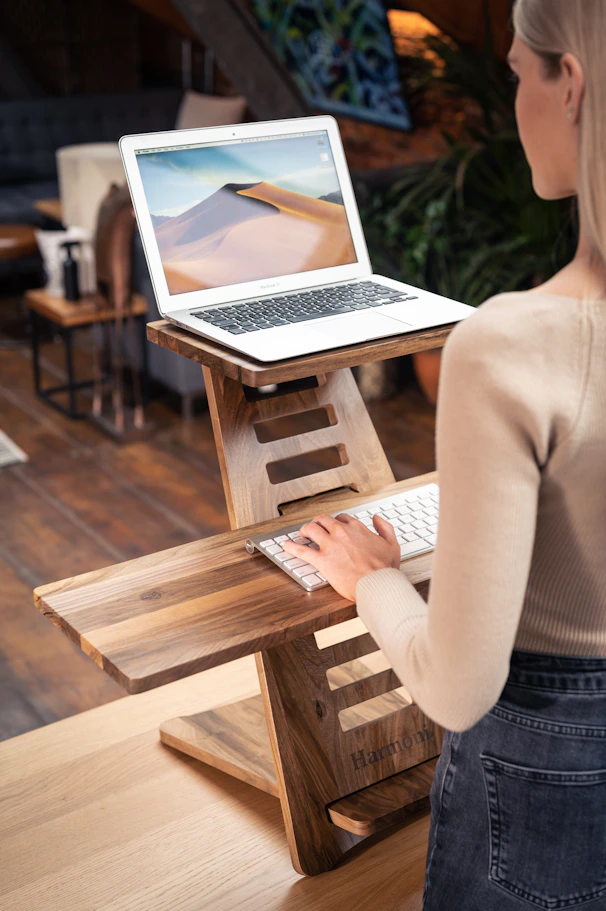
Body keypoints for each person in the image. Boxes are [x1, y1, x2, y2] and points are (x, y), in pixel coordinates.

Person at [282, 1, 606, 906]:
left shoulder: (510, 345)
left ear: (569, 85)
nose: (512, 102)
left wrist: (371, 577)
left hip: (548, 800)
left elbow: (459, 690)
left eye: (515, 74)